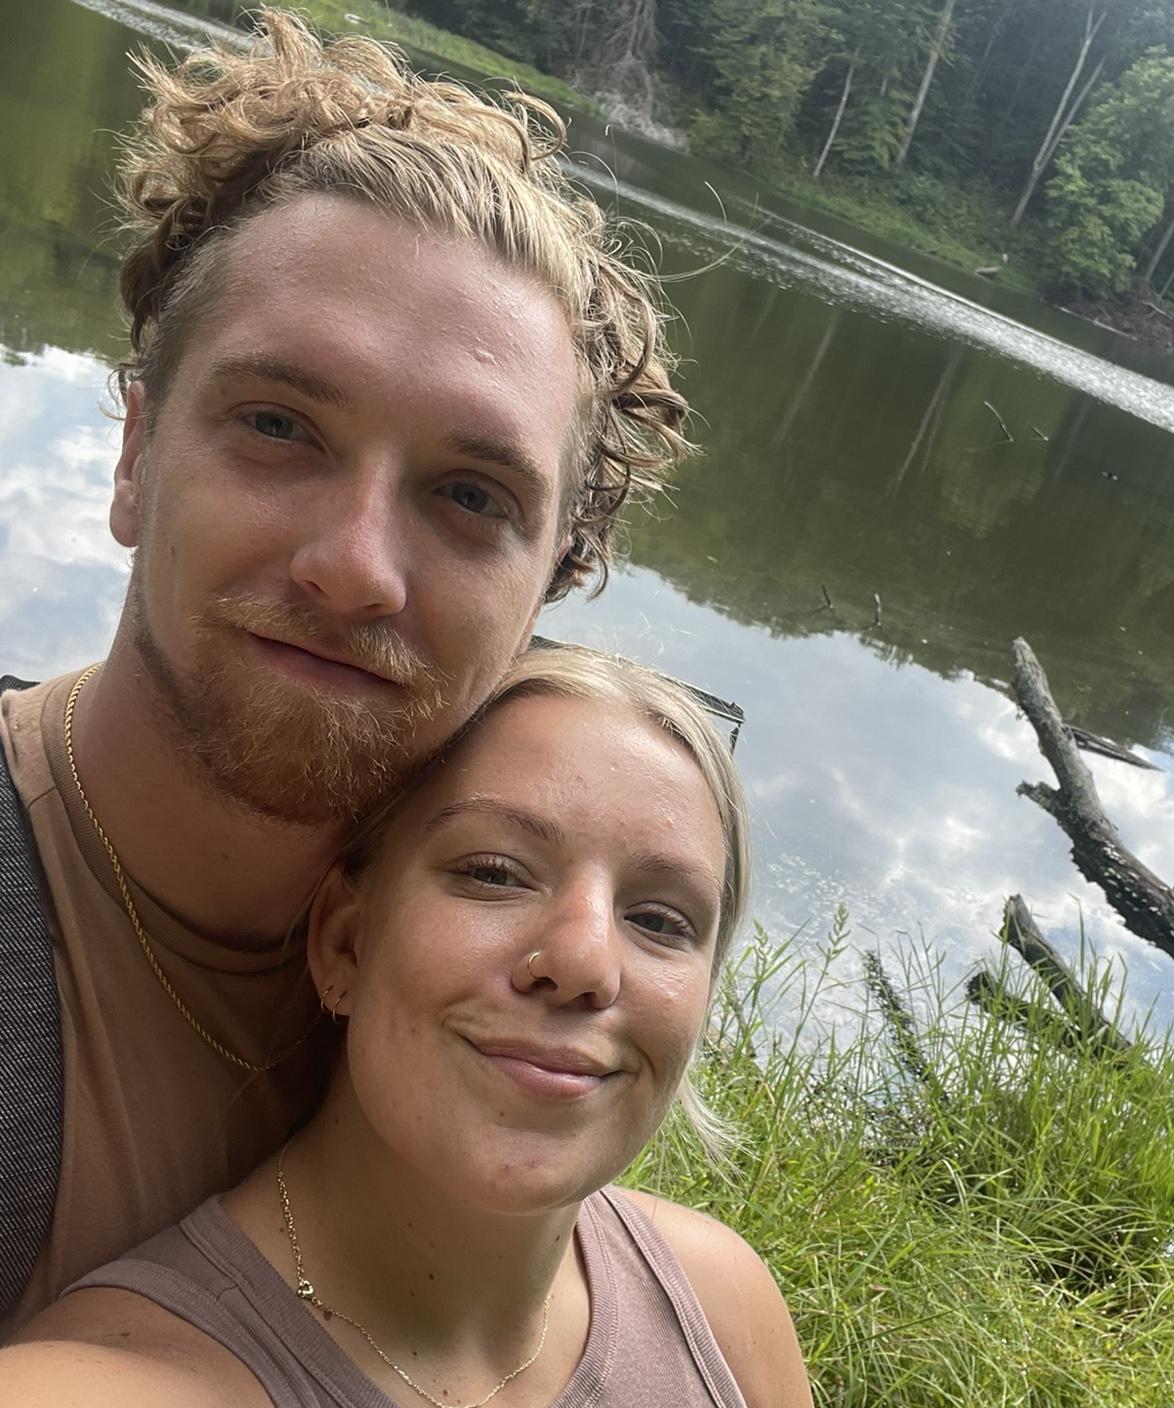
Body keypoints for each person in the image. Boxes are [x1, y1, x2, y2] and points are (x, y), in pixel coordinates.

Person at [0, 9, 689, 1336]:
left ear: (547, 588)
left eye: (471, 495)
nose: (357, 568)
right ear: (136, 455)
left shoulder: (502, 1004)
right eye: (278, 425)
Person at [0, 645, 816, 1408]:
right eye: (494, 873)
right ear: (346, 942)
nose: (584, 961)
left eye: (659, 920)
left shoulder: (723, 1315)